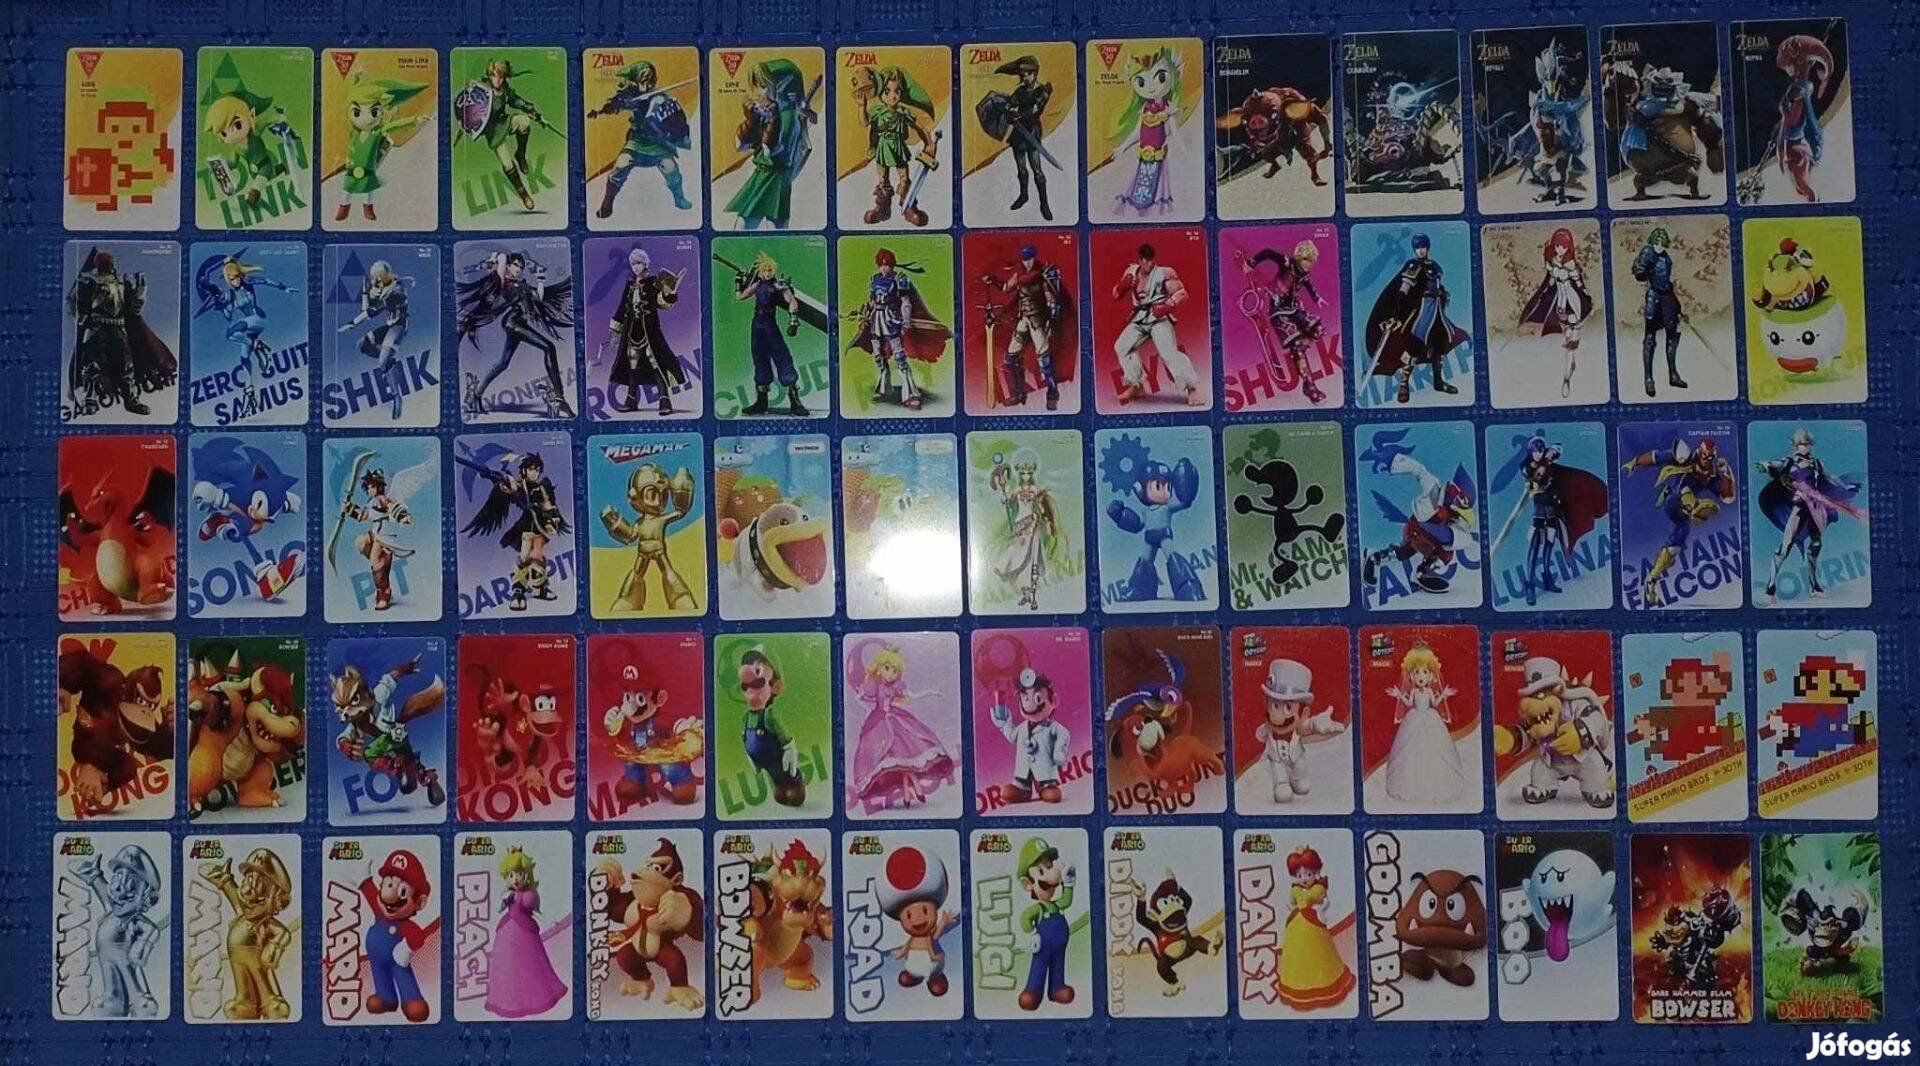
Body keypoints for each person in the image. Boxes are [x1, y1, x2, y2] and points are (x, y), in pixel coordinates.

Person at [1364, 233, 1467, 404]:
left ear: (1427, 247)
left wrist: (1443, 293)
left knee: (1440, 343)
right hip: (1422, 312)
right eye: (1417, 248)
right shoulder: (1413, 265)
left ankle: (1438, 382)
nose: (1420, 251)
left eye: (1423, 247)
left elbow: (1437, 285)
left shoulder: (1434, 266)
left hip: (1437, 312)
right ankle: (1403, 385)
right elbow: (1404, 291)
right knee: (1415, 344)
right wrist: (1397, 315)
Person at [589, 61, 693, 217]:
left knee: (671, 167)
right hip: (637, 142)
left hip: (657, 142)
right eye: (642, 79)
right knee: (621, 166)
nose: (645, 83)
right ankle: (607, 204)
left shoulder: (660, 98)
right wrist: (601, 111)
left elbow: (671, 119)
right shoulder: (629, 95)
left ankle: (679, 198)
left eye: (648, 79)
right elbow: (614, 105)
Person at [1111, 243, 1201, 406]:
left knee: (1169, 353)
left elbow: (1182, 292)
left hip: (1158, 318)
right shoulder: (1130, 272)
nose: (1150, 263)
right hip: (1139, 317)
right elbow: (1116, 294)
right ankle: (1137, 385)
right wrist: (1123, 286)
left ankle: (1192, 388)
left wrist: (1169, 305)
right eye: (1146, 260)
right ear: (1140, 260)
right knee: (1122, 347)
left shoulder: (1164, 273)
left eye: (1151, 260)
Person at [483, 848, 567, 1018]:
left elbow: (530, 904)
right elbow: (500, 908)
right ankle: (506, 1000)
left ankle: (533, 999)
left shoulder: (529, 894)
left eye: (519, 874)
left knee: (529, 966)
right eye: (511, 875)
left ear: (526, 875)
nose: (515, 879)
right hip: (506, 934)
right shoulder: (508, 894)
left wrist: (521, 897)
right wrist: (505, 899)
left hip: (525, 934)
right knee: (507, 967)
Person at [1381, 644, 1467, 805]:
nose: (1421, 676)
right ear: (1411, 676)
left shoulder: (1429, 691)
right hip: (1413, 719)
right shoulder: (1413, 691)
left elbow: (1435, 703)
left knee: (1434, 747)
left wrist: (1443, 694)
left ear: (1431, 676)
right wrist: (1399, 694)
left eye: (1425, 672)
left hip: (1430, 719)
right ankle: (1410, 783)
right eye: (1417, 672)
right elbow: (1408, 703)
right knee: (1410, 749)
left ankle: (1434, 783)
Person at [604, 246, 686, 415]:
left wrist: (669, 294)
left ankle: (664, 400)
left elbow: (662, 303)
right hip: (631, 330)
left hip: (650, 331)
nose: (635, 267)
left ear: (645, 264)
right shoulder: (630, 285)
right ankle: (631, 400)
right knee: (632, 363)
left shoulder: (653, 282)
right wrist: (615, 329)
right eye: (633, 264)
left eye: (638, 263)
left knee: (656, 363)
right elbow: (622, 307)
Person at [733, 251, 809, 416]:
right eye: (764, 270)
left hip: (769, 324)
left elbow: (792, 301)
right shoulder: (757, 285)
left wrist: (793, 321)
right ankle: (762, 402)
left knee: (782, 357)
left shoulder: (778, 285)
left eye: (769, 270)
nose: (767, 273)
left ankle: (795, 402)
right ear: (760, 272)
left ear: (773, 271)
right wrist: (738, 280)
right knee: (759, 358)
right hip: (757, 325)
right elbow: (740, 297)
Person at [1014, 837, 1077, 1011]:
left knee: (1058, 966)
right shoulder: (1039, 908)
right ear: (1028, 884)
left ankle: (1057, 988)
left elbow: (1066, 901)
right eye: (1042, 870)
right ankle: (1033, 991)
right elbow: (1025, 918)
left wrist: (1069, 883)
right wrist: (1032, 933)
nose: (1052, 872)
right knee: (1039, 968)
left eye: (1050, 867)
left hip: (1059, 948)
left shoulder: (1055, 905)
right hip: (1043, 948)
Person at [1630, 227, 1689, 397]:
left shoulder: (1666, 257)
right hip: (1654, 298)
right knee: (1650, 338)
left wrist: (1678, 307)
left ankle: (1673, 375)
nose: (1659, 246)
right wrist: (1643, 269)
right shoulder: (1648, 252)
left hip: (1667, 298)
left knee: (1672, 336)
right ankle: (1648, 379)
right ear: (1653, 241)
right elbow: (1640, 274)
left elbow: (1667, 284)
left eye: (1662, 243)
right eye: (1657, 242)